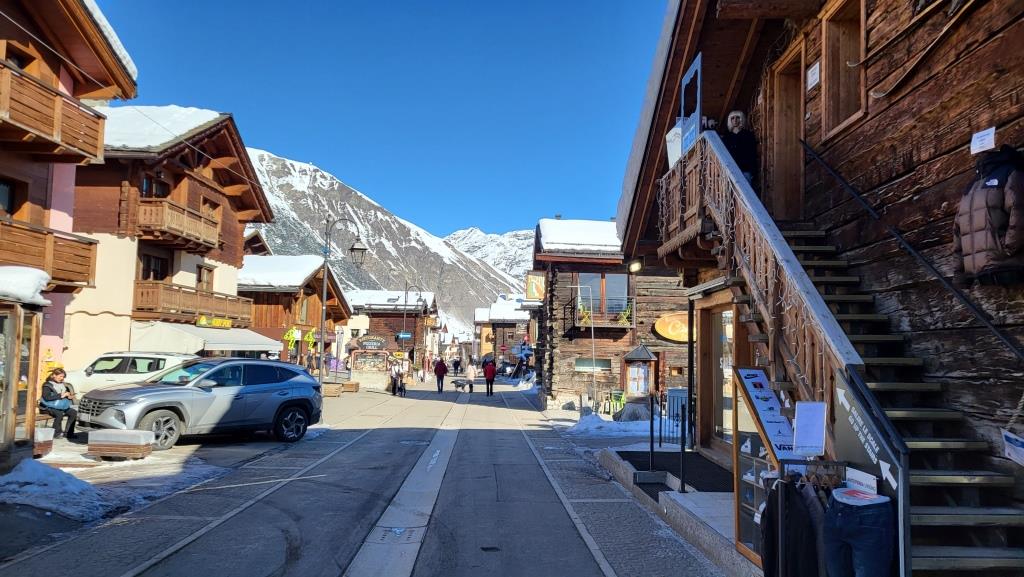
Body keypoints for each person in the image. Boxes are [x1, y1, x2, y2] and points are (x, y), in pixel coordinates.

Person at [720, 110, 758, 185]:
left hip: (745, 169)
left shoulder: (748, 135)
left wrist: (753, 171)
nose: (735, 120)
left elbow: (752, 153)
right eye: (732, 118)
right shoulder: (726, 137)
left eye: (737, 117)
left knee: (745, 190)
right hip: (731, 170)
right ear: (730, 120)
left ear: (741, 119)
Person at [39, 368, 77, 439]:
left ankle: (68, 433)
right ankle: (56, 433)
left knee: (73, 413)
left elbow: (63, 396)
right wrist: (61, 395)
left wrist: (69, 397)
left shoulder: (61, 384)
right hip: (47, 406)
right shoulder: (47, 385)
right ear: (54, 375)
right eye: (60, 376)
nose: (62, 378)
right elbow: (46, 398)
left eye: (63, 377)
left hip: (59, 405)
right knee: (59, 413)